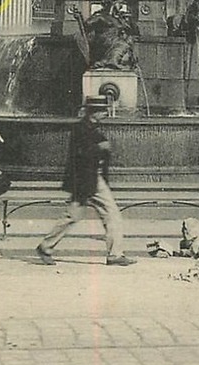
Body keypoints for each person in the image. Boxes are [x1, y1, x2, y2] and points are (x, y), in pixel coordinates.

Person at [36, 100, 136, 266]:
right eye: (103, 111)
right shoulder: (81, 129)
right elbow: (80, 154)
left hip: (89, 180)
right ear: (94, 112)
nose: (106, 113)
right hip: (87, 180)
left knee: (76, 216)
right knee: (109, 214)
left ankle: (46, 246)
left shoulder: (89, 128)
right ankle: (115, 255)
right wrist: (100, 148)